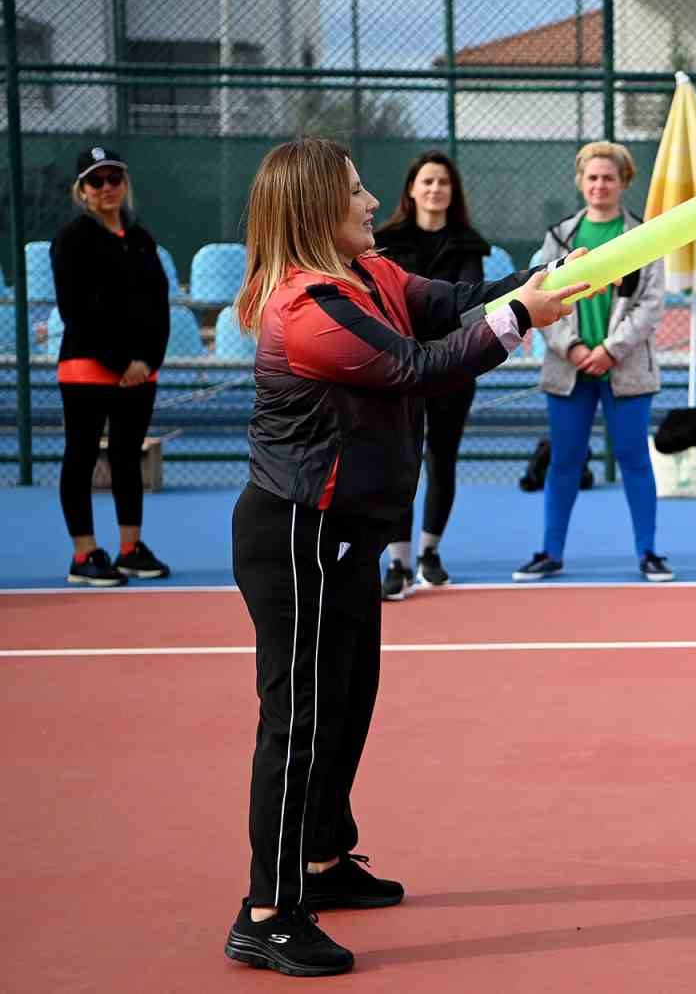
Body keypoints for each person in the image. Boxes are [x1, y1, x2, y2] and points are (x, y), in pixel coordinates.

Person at [224, 137, 588, 977]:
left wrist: (549, 283)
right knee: (300, 721)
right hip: (296, 536)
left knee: (349, 701)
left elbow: (458, 299)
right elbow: (417, 368)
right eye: (354, 190)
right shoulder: (306, 306)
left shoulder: (374, 274)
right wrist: (524, 317)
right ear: (318, 208)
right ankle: (268, 909)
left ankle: (321, 857)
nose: (367, 201)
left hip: (349, 532)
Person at [514, 141, 673, 583]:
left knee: (634, 458)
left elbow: (651, 304)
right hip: (570, 367)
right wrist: (575, 348)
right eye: (592, 177)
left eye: (609, 177)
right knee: (565, 459)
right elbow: (538, 296)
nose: (600, 184)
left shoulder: (643, 235)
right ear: (581, 182)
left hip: (625, 367)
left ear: (623, 183)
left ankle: (649, 553)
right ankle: (550, 552)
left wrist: (609, 350)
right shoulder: (560, 237)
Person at [50, 146, 172, 587]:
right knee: (80, 458)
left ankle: (128, 549)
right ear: (82, 190)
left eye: (114, 179)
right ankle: (84, 554)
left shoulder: (141, 239)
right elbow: (77, 309)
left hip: (141, 372)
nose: (107, 188)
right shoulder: (71, 240)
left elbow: (159, 305)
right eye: (96, 181)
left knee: (127, 457)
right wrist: (120, 362)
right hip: (87, 369)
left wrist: (146, 361)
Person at [374, 150, 493, 598]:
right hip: (399, 366)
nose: (434, 189)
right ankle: (398, 561)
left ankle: (429, 553)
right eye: (427, 181)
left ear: (452, 191)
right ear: (411, 189)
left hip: (452, 368)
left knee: (442, 460)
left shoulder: (469, 243)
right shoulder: (386, 242)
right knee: (399, 464)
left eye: (442, 182)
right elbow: (388, 303)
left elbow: (465, 305)